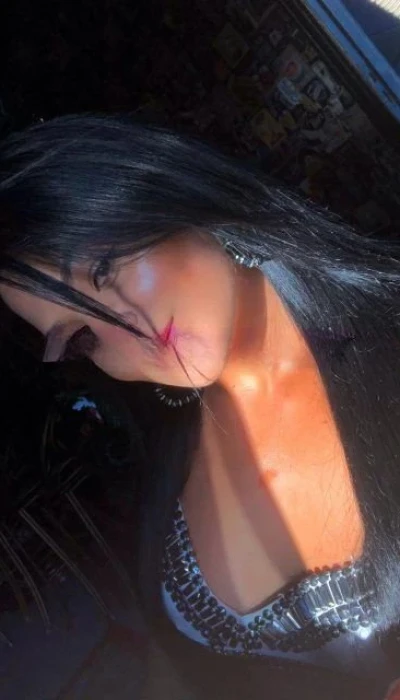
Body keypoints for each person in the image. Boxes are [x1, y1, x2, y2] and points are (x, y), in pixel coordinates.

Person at [0, 114, 400, 699]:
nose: (122, 331)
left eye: (105, 270)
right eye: (81, 337)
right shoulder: (161, 456)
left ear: (173, 195)